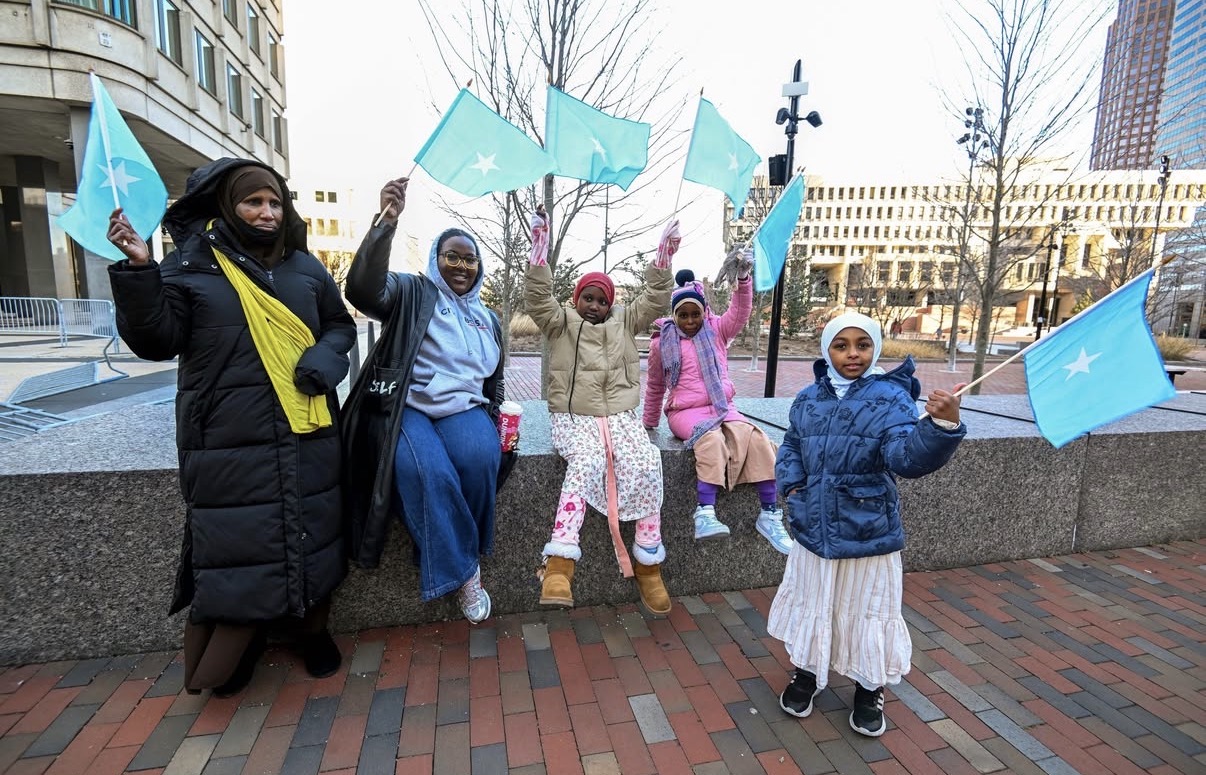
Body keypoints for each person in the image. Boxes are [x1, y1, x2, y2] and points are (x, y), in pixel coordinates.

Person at [106, 158, 355, 695]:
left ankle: (312, 632)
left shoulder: (305, 268)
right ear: (227, 206)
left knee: (311, 530)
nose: (266, 213)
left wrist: (326, 359)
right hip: (226, 437)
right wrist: (139, 271)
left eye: (274, 203)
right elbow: (156, 340)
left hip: (306, 426)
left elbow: (339, 326)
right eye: (253, 202)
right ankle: (240, 644)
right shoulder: (191, 265)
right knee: (237, 543)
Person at [768, 312, 966, 737]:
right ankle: (808, 671)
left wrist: (942, 426)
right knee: (814, 601)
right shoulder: (808, 398)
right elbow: (792, 446)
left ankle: (868, 686)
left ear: (876, 346)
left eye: (862, 343)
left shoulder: (890, 398)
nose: (852, 353)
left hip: (867, 529)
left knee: (869, 610)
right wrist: (794, 489)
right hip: (813, 529)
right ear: (826, 350)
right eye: (841, 345)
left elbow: (905, 458)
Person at [341, 177, 504, 625]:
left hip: (463, 407)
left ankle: (441, 547)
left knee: (479, 458)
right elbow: (362, 291)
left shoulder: (488, 318)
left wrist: (500, 419)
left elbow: (493, 381)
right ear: (436, 260)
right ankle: (466, 571)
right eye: (451, 256)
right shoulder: (414, 291)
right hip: (405, 407)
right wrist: (385, 223)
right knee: (422, 469)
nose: (461, 266)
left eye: (470, 259)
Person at [526, 206, 677, 615]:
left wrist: (663, 259)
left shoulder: (626, 322)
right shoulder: (560, 322)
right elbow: (539, 298)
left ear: (610, 303)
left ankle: (649, 563)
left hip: (621, 418)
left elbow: (655, 299)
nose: (593, 305)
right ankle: (559, 563)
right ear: (576, 300)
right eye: (587, 298)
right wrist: (539, 248)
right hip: (573, 416)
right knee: (587, 460)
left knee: (647, 461)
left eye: (601, 299)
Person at [643, 256, 792, 554]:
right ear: (674, 315)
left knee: (756, 439)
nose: (688, 321)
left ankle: (769, 514)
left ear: (703, 311)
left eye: (694, 314)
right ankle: (705, 511)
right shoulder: (663, 343)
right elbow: (655, 385)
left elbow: (740, 312)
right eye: (682, 315)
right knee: (710, 440)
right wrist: (648, 423)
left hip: (723, 406)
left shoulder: (717, 332)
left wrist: (743, 280)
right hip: (684, 412)